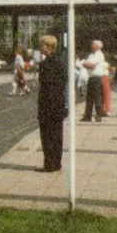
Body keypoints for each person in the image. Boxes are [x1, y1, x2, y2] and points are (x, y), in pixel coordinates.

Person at [36, 34, 68, 172]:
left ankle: (49, 164)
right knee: (57, 134)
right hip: (59, 102)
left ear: (48, 47)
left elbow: (45, 86)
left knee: (47, 135)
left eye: (42, 45)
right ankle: (57, 163)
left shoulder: (45, 64)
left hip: (47, 104)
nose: (40, 47)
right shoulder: (62, 62)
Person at [81, 40, 107, 122]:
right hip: (91, 77)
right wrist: (86, 64)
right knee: (89, 98)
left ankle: (99, 115)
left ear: (97, 46)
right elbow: (86, 64)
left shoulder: (99, 54)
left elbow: (92, 65)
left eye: (93, 44)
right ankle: (87, 116)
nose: (91, 45)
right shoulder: (91, 54)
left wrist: (85, 64)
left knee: (97, 97)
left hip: (96, 77)